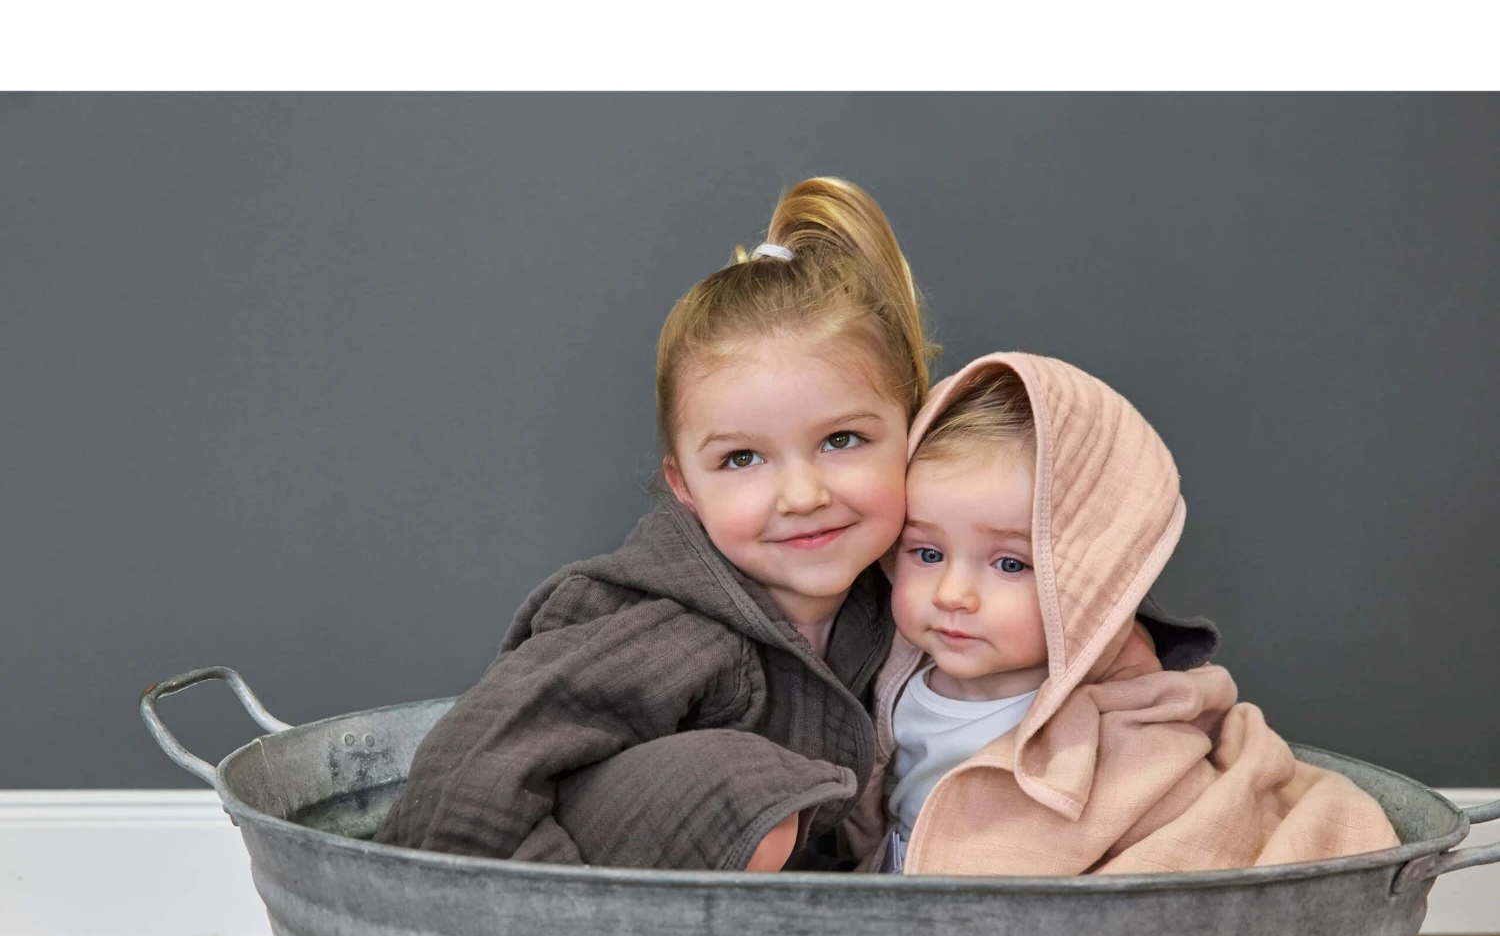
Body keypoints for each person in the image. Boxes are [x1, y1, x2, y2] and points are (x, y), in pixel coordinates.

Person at [376, 176, 932, 869]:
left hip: (783, 900)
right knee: (743, 789)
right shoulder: (664, 627)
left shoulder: (916, 587)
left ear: (915, 433)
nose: (801, 494)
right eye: (742, 458)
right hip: (562, 890)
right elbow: (472, 765)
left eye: (842, 440)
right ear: (685, 487)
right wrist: (519, 910)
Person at [846, 352, 1398, 875]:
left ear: (1089, 576)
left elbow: (1179, 841)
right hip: (909, 896)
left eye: (1011, 564)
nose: (952, 593)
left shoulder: (1125, 715)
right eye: (927, 553)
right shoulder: (889, 677)